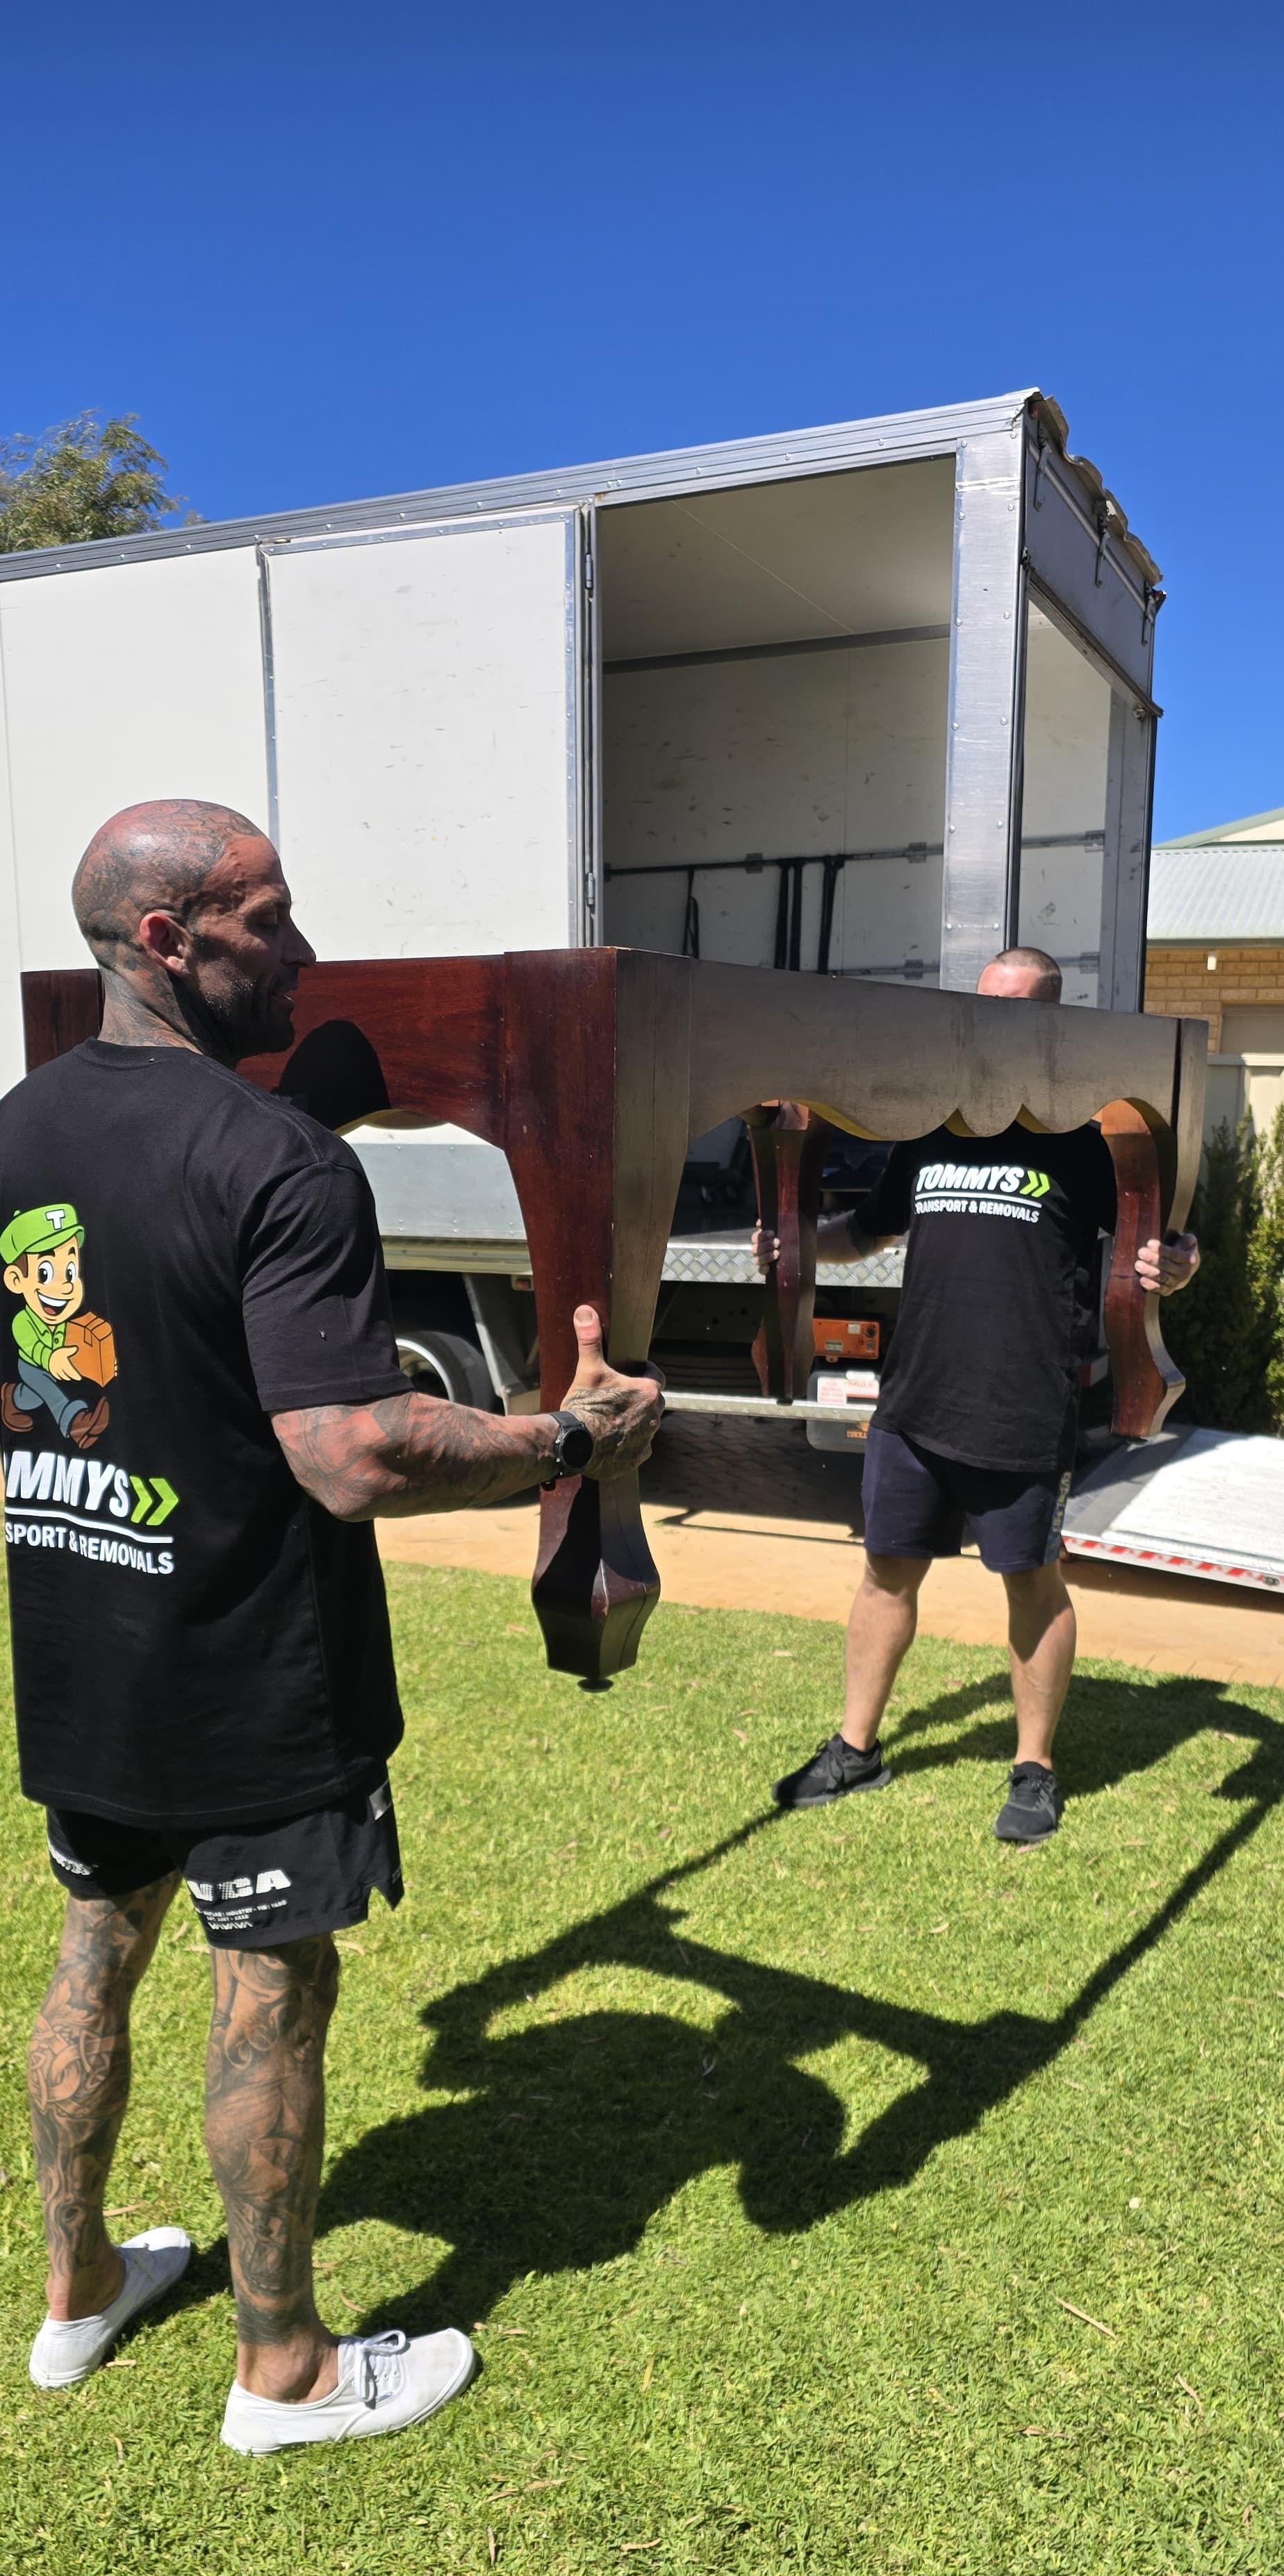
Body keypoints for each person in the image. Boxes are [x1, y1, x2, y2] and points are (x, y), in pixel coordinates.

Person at [3, 798, 661, 2454]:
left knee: (93, 1946)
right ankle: (283, 2364)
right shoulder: (275, 1155)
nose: (302, 952)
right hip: (246, 1667)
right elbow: (352, 1450)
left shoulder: (13, 1132)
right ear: (170, 941)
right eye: (272, 920)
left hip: (87, 1640)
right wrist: (567, 1437)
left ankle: (75, 2290)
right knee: (266, 1991)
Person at [759, 946, 1199, 1841]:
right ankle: (857, 1747)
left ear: (1050, 1018)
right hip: (914, 1401)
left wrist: (1181, 1265)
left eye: (1015, 1008)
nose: (994, 1022)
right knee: (886, 1574)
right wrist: (800, 1243)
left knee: (1032, 1583)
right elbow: (868, 1231)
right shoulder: (934, 1123)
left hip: (1022, 1404)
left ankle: (1033, 1770)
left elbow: (1166, 1252)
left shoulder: (1091, 1137)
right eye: (983, 1005)